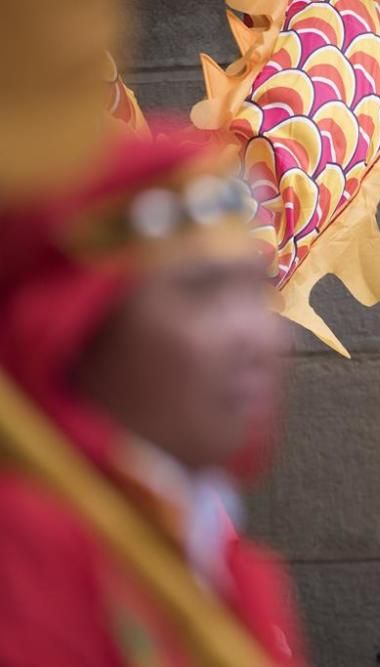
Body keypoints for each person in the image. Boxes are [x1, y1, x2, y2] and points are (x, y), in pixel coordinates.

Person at [0, 134, 305, 666]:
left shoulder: (227, 559)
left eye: (256, 290)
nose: (264, 338)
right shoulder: (23, 555)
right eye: (201, 290)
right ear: (80, 332)